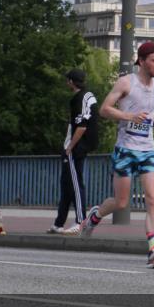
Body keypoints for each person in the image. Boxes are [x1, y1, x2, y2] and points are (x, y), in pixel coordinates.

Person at [80, 42, 154, 269]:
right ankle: (95, 215)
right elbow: (104, 109)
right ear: (141, 61)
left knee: (152, 198)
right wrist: (129, 116)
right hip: (125, 149)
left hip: (148, 149)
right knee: (121, 202)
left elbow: (149, 114)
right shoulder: (126, 82)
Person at [49, 69, 98, 235]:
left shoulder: (78, 99)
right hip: (81, 145)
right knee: (66, 184)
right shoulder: (89, 96)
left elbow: (81, 126)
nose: (66, 83)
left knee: (76, 184)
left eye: (67, 80)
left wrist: (70, 147)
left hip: (76, 147)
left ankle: (80, 221)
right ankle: (58, 223)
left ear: (71, 81)